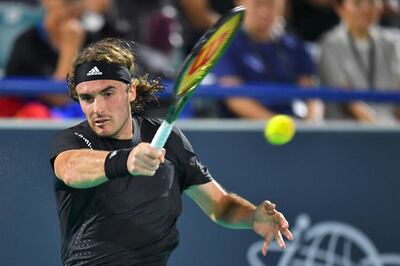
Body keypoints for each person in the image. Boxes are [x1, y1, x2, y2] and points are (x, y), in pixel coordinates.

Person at [48, 38, 293, 265]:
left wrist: (252, 217)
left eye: (108, 93)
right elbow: (70, 168)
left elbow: (220, 205)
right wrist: (125, 159)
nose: (97, 108)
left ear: (130, 91)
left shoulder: (168, 139)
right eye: (87, 98)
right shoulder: (73, 139)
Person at [212, 0, 324, 121]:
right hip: (244, 130)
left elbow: (310, 93)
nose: (264, 12)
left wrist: (312, 121)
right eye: (257, 4)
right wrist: (277, 122)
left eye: (271, 4)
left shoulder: (295, 46)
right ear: (240, 3)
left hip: (293, 125)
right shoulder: (226, 44)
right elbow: (235, 98)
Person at [318, 0, 400, 122]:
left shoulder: (395, 42)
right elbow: (346, 98)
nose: (366, 9)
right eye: (357, 3)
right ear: (340, 8)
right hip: (350, 132)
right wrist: (379, 128)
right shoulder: (329, 45)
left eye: (372, 2)